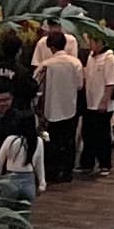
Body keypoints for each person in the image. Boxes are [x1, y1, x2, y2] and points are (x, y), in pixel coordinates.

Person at [33, 24, 84, 185]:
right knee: (68, 141)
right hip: (70, 107)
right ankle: (67, 172)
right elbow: (80, 85)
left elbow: (36, 84)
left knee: (51, 142)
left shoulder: (46, 65)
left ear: (52, 47)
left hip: (51, 109)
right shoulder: (75, 63)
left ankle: (52, 173)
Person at [0, 101, 43, 228]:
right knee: (23, 220)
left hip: (11, 180)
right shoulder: (38, 141)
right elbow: (40, 164)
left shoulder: (11, 140)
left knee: (5, 217)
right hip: (29, 181)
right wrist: (42, 183)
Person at [79, 31, 114, 179]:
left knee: (102, 136)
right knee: (88, 134)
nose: (90, 45)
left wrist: (105, 100)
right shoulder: (91, 56)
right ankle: (87, 163)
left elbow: (111, 83)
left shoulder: (110, 59)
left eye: (92, 42)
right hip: (90, 102)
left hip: (102, 104)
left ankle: (105, 164)